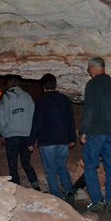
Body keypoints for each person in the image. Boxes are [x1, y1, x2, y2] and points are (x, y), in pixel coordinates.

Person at [80, 57, 111, 213]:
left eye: (89, 70)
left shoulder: (92, 85)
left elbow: (89, 110)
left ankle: (97, 200)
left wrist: (83, 131)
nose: (89, 73)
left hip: (95, 132)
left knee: (90, 165)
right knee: (110, 166)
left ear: (94, 68)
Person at [29, 73, 76, 201]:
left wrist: (31, 141)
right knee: (61, 166)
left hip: (47, 141)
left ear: (43, 86)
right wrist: (72, 138)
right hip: (62, 140)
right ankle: (69, 192)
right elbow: (70, 120)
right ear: (55, 85)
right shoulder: (65, 100)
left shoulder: (40, 101)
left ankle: (57, 197)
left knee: (50, 170)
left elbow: (36, 123)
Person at [0, 75, 40, 189]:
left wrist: (3, 133)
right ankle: (35, 184)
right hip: (25, 135)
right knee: (26, 163)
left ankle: (17, 189)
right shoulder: (27, 96)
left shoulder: (6, 97)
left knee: (13, 164)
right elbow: (32, 115)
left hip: (11, 135)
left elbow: (3, 118)